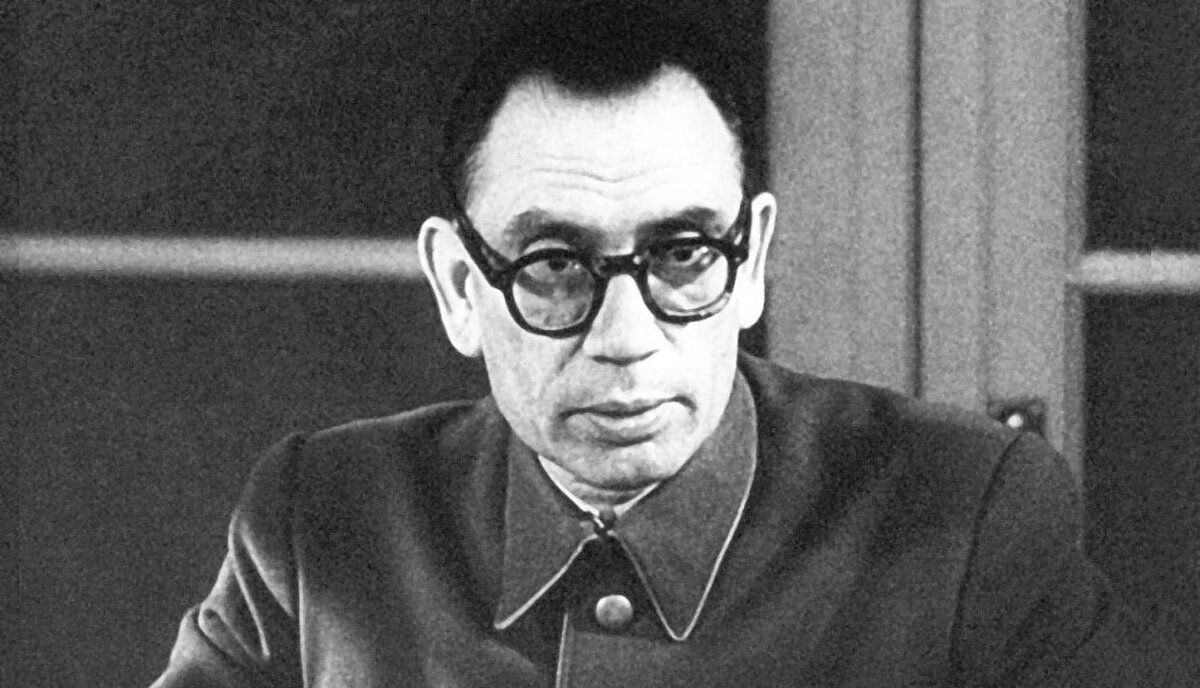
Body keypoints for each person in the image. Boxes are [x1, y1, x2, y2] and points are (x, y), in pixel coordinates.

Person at [149, 3, 1196, 686]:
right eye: (553, 266)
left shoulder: (967, 521)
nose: (627, 339)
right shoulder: (320, 526)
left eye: (684, 255)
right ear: (461, 286)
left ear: (751, 260)